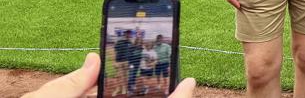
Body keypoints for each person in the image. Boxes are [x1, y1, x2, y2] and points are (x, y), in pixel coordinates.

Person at [21, 52, 196, 98]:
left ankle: (129, 87)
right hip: (126, 62)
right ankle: (125, 87)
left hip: (132, 62)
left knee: (129, 76)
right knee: (124, 76)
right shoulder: (124, 44)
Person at [112, 30, 132, 96]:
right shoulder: (119, 42)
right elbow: (115, 51)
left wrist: (130, 63)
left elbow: (130, 53)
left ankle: (124, 88)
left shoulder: (130, 43)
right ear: (124, 34)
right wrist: (113, 61)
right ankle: (118, 89)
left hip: (126, 61)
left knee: (125, 76)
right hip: (119, 61)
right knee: (118, 76)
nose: (128, 35)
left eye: (129, 34)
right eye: (127, 33)